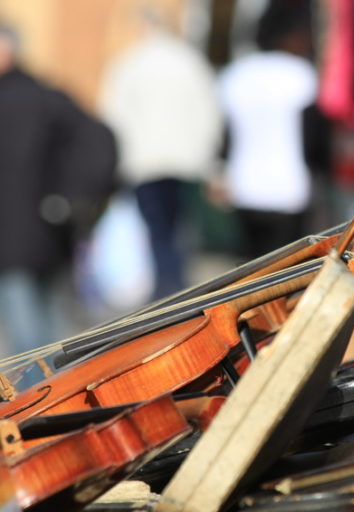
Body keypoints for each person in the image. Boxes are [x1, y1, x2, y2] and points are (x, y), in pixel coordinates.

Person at [0, 23, 117, 373]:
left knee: (30, 342)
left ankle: (43, 411)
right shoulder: (47, 96)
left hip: (23, 238)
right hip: (44, 232)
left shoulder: (41, 98)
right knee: (48, 336)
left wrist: (73, 198)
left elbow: (98, 145)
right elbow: (100, 142)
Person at [99, 7, 222, 300]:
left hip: (145, 162)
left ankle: (167, 287)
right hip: (186, 161)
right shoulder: (189, 61)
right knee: (181, 225)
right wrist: (208, 157)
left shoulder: (129, 63)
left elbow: (113, 116)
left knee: (158, 230)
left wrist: (119, 162)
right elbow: (209, 111)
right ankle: (178, 284)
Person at [217, 2, 317, 259]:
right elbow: (314, 137)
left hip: (245, 186)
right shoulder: (301, 75)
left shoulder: (236, 75)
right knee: (284, 273)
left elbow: (225, 136)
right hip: (290, 189)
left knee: (249, 269)